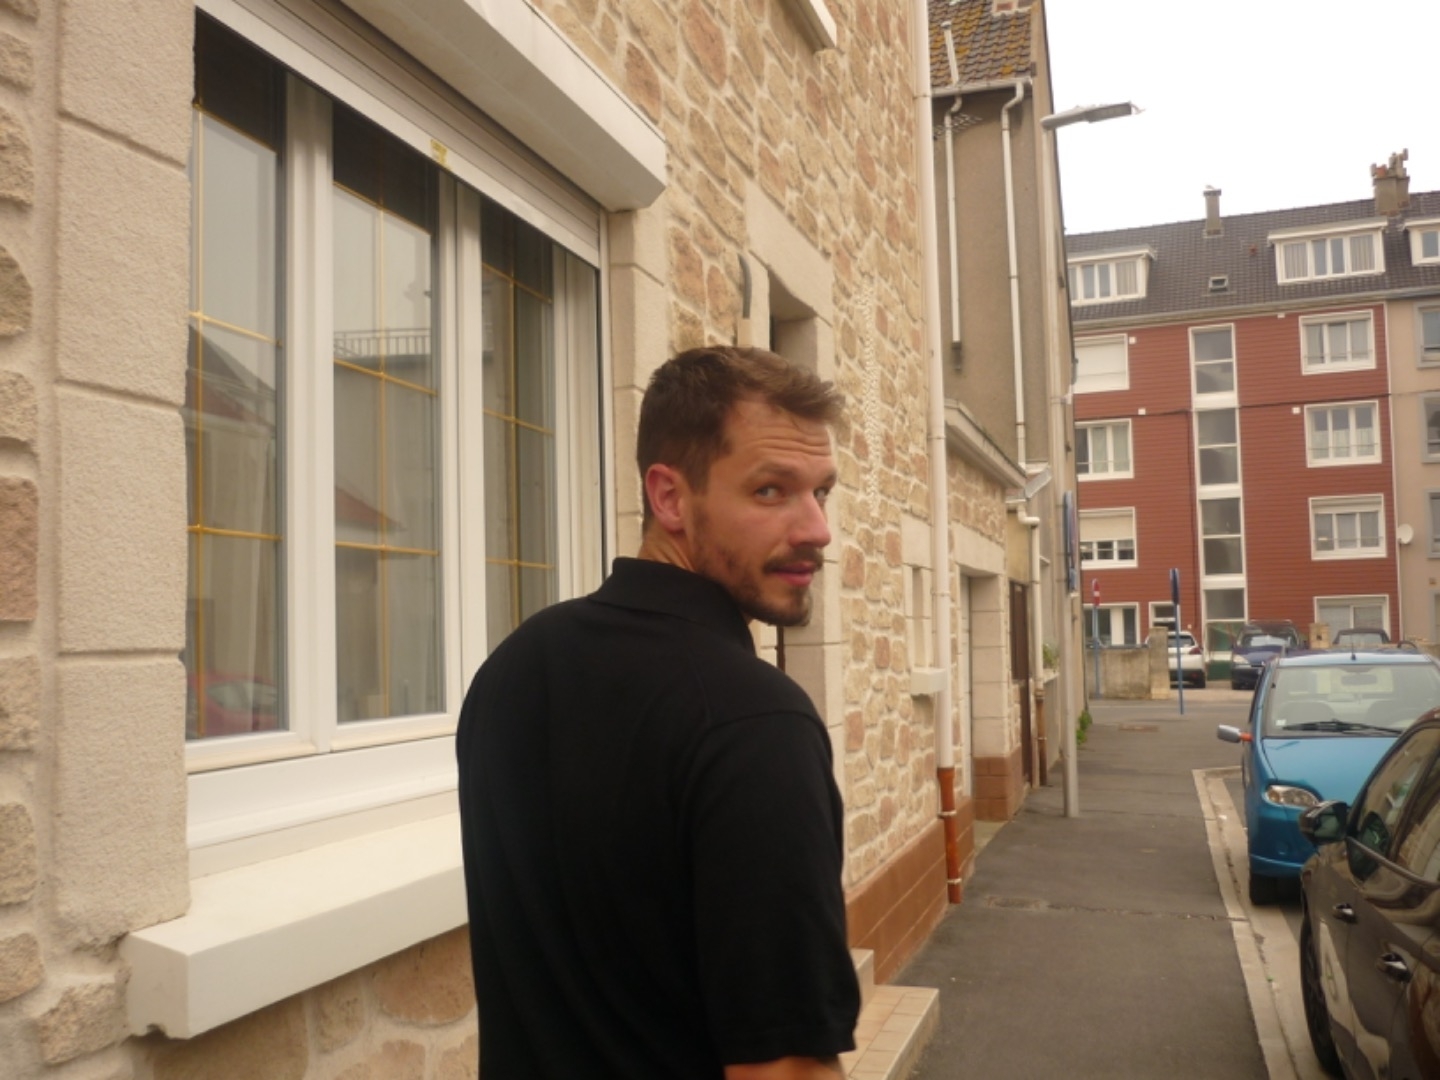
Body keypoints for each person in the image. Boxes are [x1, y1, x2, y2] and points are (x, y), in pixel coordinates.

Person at [456, 345, 860, 1079]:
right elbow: (786, 1069)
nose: (816, 529)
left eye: (821, 492)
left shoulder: (512, 667)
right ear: (670, 497)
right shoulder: (755, 724)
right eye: (771, 490)